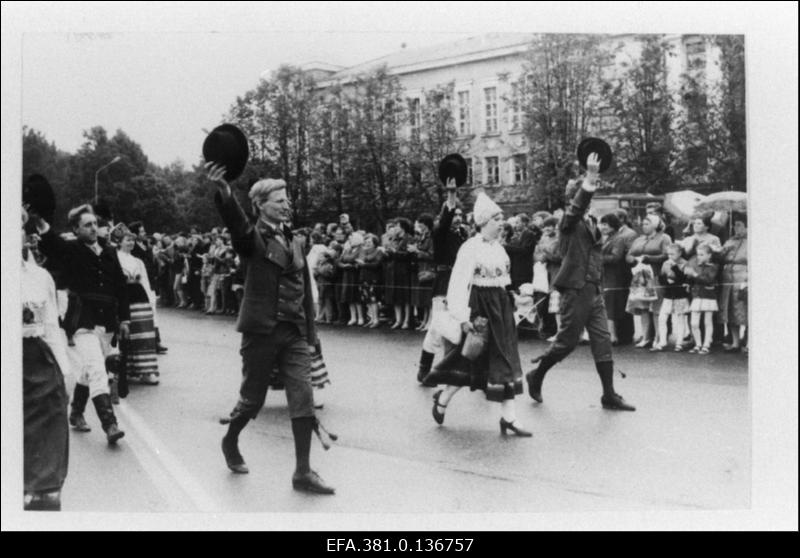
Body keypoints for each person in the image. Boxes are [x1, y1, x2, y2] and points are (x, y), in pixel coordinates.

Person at [205, 163, 334, 495]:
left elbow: (304, 290)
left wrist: (311, 335)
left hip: (293, 332)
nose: (286, 205)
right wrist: (225, 193)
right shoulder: (254, 239)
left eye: (287, 199)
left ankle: (303, 472)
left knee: (302, 396)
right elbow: (238, 227)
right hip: (262, 331)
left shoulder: (295, 240)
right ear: (260, 205)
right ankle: (231, 440)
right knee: (252, 400)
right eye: (279, 200)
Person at [525, 154, 635, 411]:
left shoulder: (589, 221)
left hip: (593, 289)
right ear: (576, 197)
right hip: (575, 290)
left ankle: (609, 394)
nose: (593, 194)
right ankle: (537, 374)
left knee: (602, 340)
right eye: (590, 191)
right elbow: (577, 207)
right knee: (567, 343)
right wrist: (590, 178)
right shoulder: (568, 221)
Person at [422, 192, 531, 436]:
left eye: (501, 217)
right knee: (470, 360)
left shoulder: (500, 249)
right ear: (483, 222)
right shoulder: (470, 247)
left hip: (500, 309)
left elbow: (503, 282)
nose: (501, 222)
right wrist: (462, 319)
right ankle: (444, 398)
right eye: (496, 218)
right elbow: (458, 283)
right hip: (480, 309)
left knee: (504, 358)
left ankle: (509, 418)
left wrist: (515, 298)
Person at [33, 204, 128, 444]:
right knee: (97, 370)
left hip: (107, 322)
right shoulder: (72, 250)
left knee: (89, 369)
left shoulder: (109, 252)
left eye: (95, 223)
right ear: (76, 229)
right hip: (83, 320)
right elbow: (53, 245)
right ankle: (110, 425)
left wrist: (125, 318)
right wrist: (41, 222)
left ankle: (76, 412)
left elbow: (120, 286)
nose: (94, 228)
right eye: (87, 225)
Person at [22, 208, 70, 511]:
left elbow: (51, 326)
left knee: (47, 432)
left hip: (36, 361)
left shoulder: (40, 277)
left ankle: (40, 497)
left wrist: (65, 373)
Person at [415, 183, 469, 384]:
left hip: (460, 284)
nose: (458, 219)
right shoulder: (439, 232)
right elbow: (446, 218)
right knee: (438, 328)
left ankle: (458, 370)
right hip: (444, 284)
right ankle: (424, 369)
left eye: (460, 216)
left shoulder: (462, 234)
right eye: (455, 215)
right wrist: (452, 193)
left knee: (460, 327)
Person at [116, 227, 160, 385]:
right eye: (127, 240)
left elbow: (145, 282)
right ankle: (125, 370)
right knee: (125, 333)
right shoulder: (115, 258)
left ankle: (146, 372)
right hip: (123, 297)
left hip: (139, 297)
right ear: (119, 242)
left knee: (143, 332)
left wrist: (151, 301)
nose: (131, 243)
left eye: (133, 240)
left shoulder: (138, 261)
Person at [625, 214, 671, 348]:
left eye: (647, 224)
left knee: (656, 308)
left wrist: (649, 258)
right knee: (643, 307)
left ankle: (658, 338)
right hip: (639, 276)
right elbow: (630, 253)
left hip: (655, 275)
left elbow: (666, 255)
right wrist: (631, 260)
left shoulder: (664, 238)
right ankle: (646, 337)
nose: (644, 226)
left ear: (655, 225)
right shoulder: (639, 239)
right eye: (643, 224)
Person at [719, 213, 748, 352]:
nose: (736, 228)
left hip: (742, 277)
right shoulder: (730, 241)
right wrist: (722, 250)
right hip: (728, 277)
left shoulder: (752, 241)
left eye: (739, 225)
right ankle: (735, 342)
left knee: (744, 310)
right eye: (734, 225)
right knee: (730, 310)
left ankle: (748, 343)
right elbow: (720, 256)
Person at [654, 243, 691, 351]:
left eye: (672, 254)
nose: (670, 257)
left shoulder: (685, 263)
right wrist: (667, 281)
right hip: (668, 295)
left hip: (680, 295)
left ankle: (679, 343)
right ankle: (662, 341)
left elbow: (685, 279)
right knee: (662, 318)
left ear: (679, 253)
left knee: (680, 318)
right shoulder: (665, 263)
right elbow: (661, 278)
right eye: (668, 254)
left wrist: (674, 267)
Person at [598, 213, 628, 345]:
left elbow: (616, 257)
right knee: (606, 305)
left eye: (605, 224)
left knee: (611, 306)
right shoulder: (606, 238)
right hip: (604, 276)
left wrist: (598, 259)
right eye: (602, 224)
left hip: (614, 276)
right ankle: (609, 334)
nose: (603, 227)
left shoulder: (618, 239)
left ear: (613, 225)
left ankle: (613, 336)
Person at [684, 244, 719, 354]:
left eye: (702, 254)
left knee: (707, 322)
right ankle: (698, 344)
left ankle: (706, 344)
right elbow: (692, 279)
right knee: (694, 323)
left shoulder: (714, 266)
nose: (699, 257)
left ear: (709, 255)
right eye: (698, 254)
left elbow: (709, 280)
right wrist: (688, 281)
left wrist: (694, 274)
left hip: (708, 296)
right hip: (697, 296)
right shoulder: (696, 266)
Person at [410, 214, 435, 331]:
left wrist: (417, 251)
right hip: (422, 269)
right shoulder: (423, 236)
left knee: (429, 298)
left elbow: (432, 255)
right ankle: (425, 320)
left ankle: (430, 321)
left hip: (428, 269)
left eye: (421, 224)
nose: (420, 227)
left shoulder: (432, 237)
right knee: (424, 298)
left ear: (426, 224)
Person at [504, 212, 539, 290]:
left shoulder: (529, 234)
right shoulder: (517, 235)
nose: (516, 225)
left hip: (524, 271)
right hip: (516, 270)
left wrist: (506, 247)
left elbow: (525, 250)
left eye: (517, 222)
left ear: (524, 223)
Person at [356, 233, 385, 328]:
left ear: (374, 243)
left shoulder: (378, 251)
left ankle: (376, 319)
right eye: (366, 242)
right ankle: (371, 318)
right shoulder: (364, 252)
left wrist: (363, 264)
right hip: (364, 278)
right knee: (367, 299)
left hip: (374, 278)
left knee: (374, 299)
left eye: (369, 242)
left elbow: (376, 264)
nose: (367, 244)